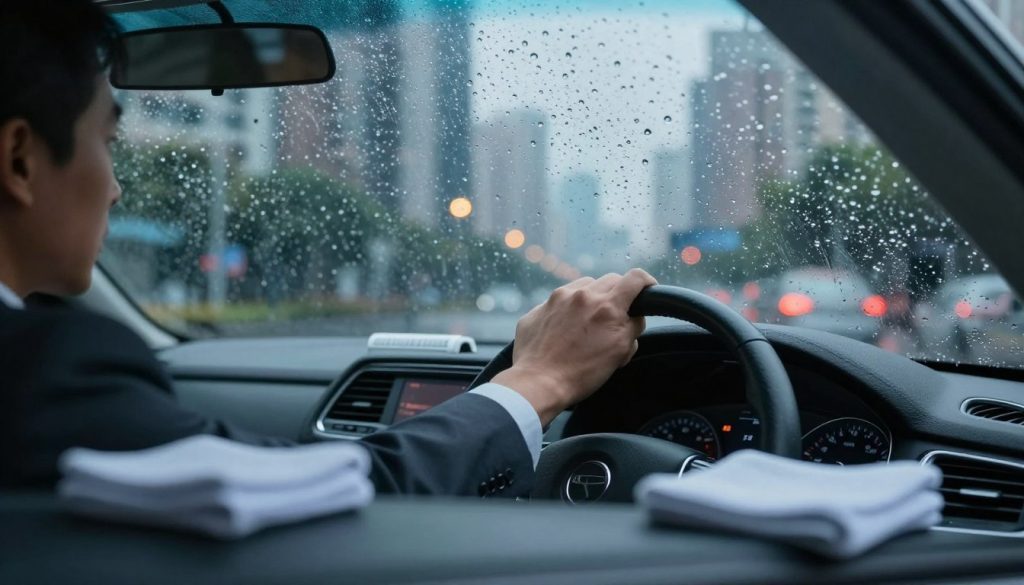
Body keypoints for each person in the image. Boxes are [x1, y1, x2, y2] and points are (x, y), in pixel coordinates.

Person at [0, 0, 656, 497]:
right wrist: (542, 378)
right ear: (21, 160)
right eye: (108, 145)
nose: (115, 189)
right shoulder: (45, 368)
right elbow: (337, 489)